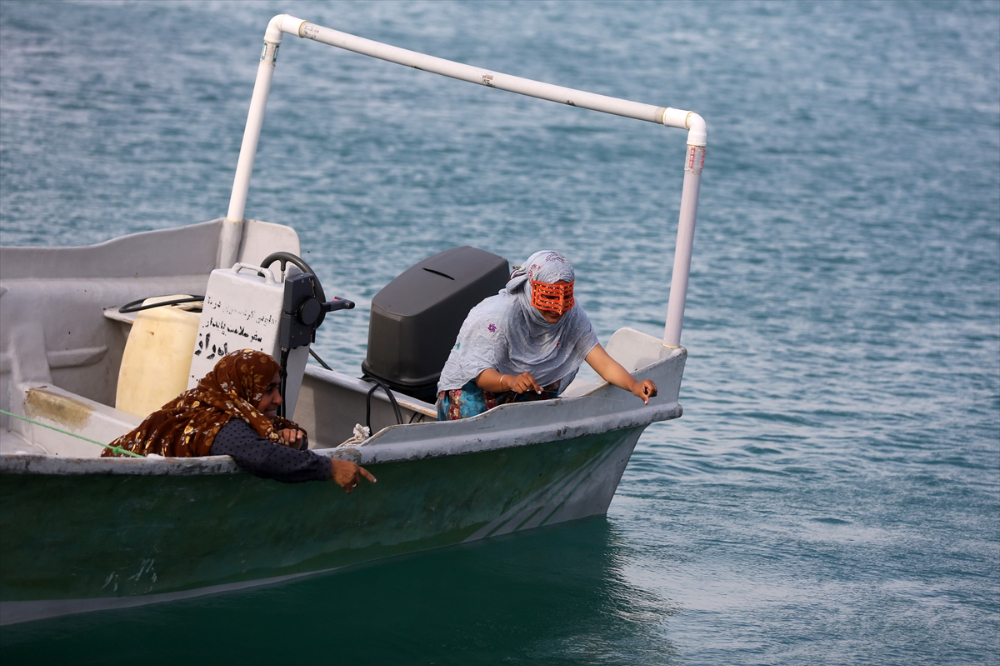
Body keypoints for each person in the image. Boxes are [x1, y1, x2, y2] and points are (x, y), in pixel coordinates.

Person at [103, 349, 375, 491]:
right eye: (268, 390)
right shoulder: (216, 423)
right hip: (115, 484)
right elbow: (260, 456)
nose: (278, 399)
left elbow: (266, 440)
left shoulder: (212, 400)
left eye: (277, 388)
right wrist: (330, 468)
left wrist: (292, 443)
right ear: (243, 390)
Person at [436, 250, 657, 420]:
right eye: (549, 298)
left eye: (565, 297)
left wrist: (635, 386)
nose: (558, 309)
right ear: (532, 289)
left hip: (519, 394)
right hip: (471, 393)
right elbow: (480, 375)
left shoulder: (571, 314)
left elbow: (602, 362)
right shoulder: (499, 315)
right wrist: (510, 381)